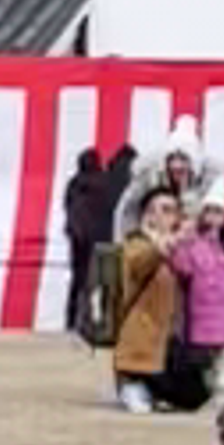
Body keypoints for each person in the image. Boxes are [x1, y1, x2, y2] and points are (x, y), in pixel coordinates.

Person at [101, 171, 191, 413]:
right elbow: (141, 262)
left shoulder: (185, 249)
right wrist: (168, 243)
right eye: (154, 209)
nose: (159, 216)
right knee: (141, 403)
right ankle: (129, 383)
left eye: (168, 210)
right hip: (140, 343)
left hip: (172, 347)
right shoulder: (136, 244)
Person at [172, 196, 224, 392]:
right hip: (204, 312)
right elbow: (183, 267)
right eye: (209, 211)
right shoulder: (195, 243)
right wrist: (181, 243)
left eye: (218, 212)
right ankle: (214, 388)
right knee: (208, 360)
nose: (213, 217)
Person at [58, 134, 124, 352]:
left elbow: (68, 210)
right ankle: (100, 326)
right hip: (102, 240)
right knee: (104, 285)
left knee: (79, 283)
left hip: (78, 241)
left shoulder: (74, 184)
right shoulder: (106, 184)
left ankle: (74, 322)